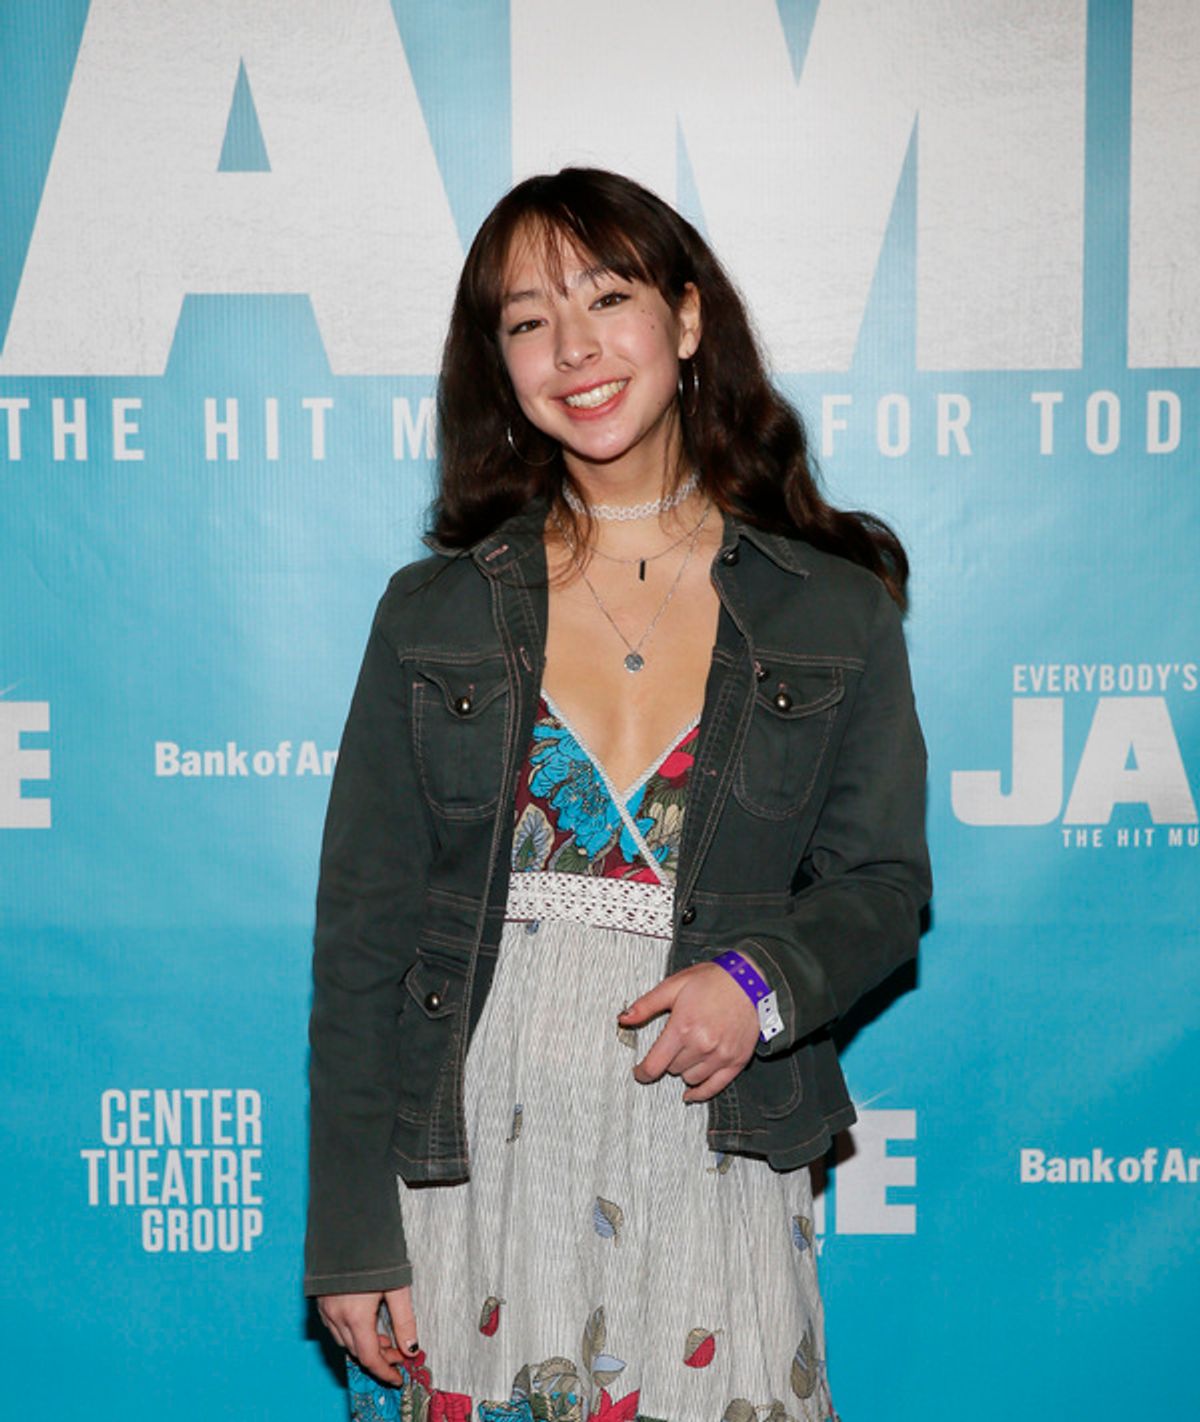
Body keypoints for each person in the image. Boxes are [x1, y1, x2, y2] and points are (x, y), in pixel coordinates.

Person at [305, 167, 931, 1422]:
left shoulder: (831, 608)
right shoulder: (434, 614)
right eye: (529, 319)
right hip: (472, 1167)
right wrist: (351, 1234)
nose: (573, 347)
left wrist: (759, 985)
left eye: (607, 296)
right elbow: (364, 933)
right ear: (502, 363)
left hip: (714, 1144)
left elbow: (881, 888)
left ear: (688, 319)